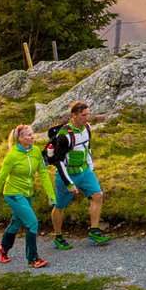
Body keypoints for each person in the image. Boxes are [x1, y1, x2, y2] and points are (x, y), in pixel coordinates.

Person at [0, 123, 55, 268]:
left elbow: (43, 174)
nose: (33, 137)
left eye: (32, 134)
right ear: (20, 139)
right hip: (13, 194)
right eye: (29, 135)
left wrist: (51, 195)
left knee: (17, 223)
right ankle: (33, 259)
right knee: (32, 223)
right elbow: (0, 179)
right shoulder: (12, 156)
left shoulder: (36, 151)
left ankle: (3, 248)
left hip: (27, 194)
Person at [46, 100, 109, 246]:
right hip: (67, 174)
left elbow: (88, 148)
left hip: (85, 170)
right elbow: (58, 161)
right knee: (60, 206)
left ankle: (94, 230)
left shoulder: (87, 128)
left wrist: (91, 168)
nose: (87, 118)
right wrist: (68, 183)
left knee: (98, 195)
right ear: (74, 115)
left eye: (88, 114)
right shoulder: (64, 136)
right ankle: (58, 236)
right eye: (84, 115)